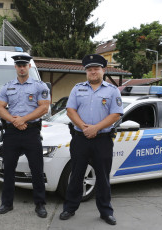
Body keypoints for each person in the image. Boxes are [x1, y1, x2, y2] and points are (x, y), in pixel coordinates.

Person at [59, 54, 123, 225]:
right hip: (80, 139)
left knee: (102, 177)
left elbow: (115, 114)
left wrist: (96, 128)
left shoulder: (112, 90)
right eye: (89, 69)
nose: (93, 72)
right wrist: (84, 127)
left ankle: (105, 211)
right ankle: (69, 208)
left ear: (103, 70)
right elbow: (70, 110)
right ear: (86, 72)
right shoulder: (77, 88)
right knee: (76, 175)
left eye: (96, 69)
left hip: (102, 140)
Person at [0, 54, 50, 218]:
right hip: (12, 132)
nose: (21, 67)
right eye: (18, 65)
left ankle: (40, 204)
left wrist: (22, 120)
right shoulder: (7, 87)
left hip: (31, 132)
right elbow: (0, 108)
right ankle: (7, 203)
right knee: (9, 169)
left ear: (29, 67)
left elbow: (44, 108)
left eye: (24, 65)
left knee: (37, 169)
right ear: (15, 67)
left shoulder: (39, 86)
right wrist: (14, 120)